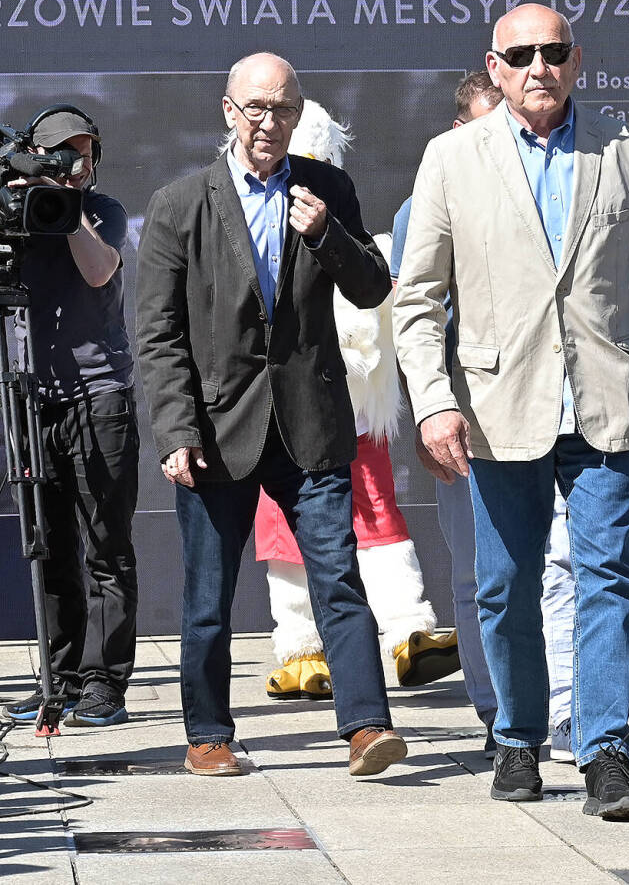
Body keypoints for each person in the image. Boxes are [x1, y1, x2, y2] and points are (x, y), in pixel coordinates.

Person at [393, 4, 629, 821]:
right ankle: (519, 737)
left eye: (553, 51)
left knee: (609, 579)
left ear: (576, 60)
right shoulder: (452, 158)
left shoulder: (625, 149)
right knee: (505, 586)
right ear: (494, 68)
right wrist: (433, 404)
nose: (539, 67)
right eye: (520, 54)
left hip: (605, 401)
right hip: (497, 408)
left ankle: (605, 753)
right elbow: (416, 301)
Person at [136, 52, 406, 778]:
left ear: (298, 115)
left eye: (284, 109)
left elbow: (372, 288)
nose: (269, 122)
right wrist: (176, 431)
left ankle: (366, 728)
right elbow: (158, 335)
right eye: (256, 107)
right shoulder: (179, 204)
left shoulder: (327, 188)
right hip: (216, 431)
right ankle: (208, 735)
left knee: (337, 579)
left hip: (310, 423)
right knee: (208, 597)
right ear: (229, 112)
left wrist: (327, 235)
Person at [391, 72, 579, 763]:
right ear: (457, 132)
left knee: (560, 564)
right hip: (465, 421)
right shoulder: (423, 203)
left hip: (553, 413)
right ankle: (497, 713)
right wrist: (429, 410)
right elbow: (416, 318)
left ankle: (566, 712)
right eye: (484, 125)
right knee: (478, 576)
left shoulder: (557, 185)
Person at [258, 101, 458, 703]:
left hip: (353, 412)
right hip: (282, 410)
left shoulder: (358, 239)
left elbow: (380, 303)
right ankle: (302, 647)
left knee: (376, 510)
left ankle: (408, 631)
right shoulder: (248, 234)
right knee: (285, 523)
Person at [0, 106, 139, 729]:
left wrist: (63, 202)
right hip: (34, 395)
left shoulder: (101, 209)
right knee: (50, 544)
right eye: (60, 153)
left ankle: (104, 683)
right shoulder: (16, 213)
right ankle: (58, 678)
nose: (73, 163)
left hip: (99, 394)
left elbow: (99, 268)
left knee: (106, 545)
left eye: (82, 153)